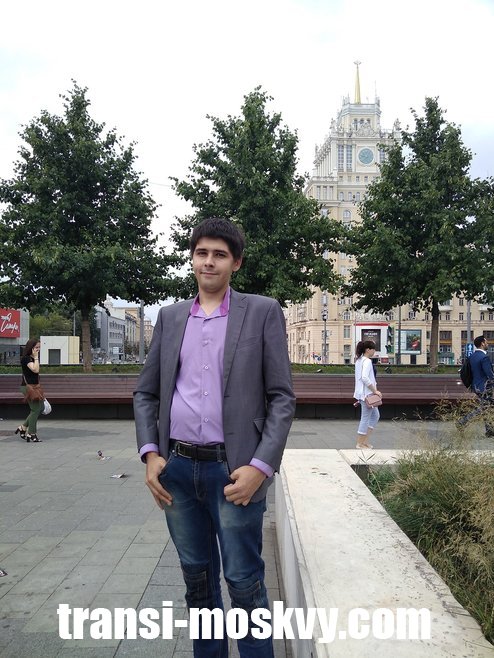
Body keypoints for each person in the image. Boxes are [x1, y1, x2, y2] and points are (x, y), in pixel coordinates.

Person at [134, 217, 296, 658]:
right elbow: (146, 393)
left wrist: (260, 468)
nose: (209, 261)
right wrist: (150, 454)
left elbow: (282, 398)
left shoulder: (262, 312)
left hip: (236, 472)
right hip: (178, 473)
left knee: (245, 584)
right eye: (202, 253)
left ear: (235, 263)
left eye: (219, 254)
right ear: (192, 259)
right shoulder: (170, 318)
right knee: (198, 584)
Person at [458, 335, 494, 436]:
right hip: (485, 387)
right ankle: (463, 421)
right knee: (485, 407)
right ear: (482, 344)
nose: (487, 344)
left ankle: (489, 430)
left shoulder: (472, 356)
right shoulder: (484, 357)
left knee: (487, 406)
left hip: (476, 386)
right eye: (486, 342)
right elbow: (490, 375)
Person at [354, 340, 382, 449]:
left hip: (362, 393)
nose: (374, 351)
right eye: (373, 349)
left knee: (375, 416)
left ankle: (364, 441)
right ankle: (360, 443)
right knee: (365, 418)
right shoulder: (367, 361)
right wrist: (375, 391)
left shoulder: (359, 361)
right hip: (367, 394)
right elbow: (365, 378)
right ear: (368, 350)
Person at [15, 338, 43, 442]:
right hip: (28, 387)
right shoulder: (26, 359)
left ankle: (23, 427)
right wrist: (36, 358)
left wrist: (35, 357)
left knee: (39, 408)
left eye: (39, 347)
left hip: (36, 387)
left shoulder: (32, 358)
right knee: (35, 409)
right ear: (31, 347)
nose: (38, 349)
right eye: (36, 347)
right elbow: (35, 369)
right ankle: (32, 434)